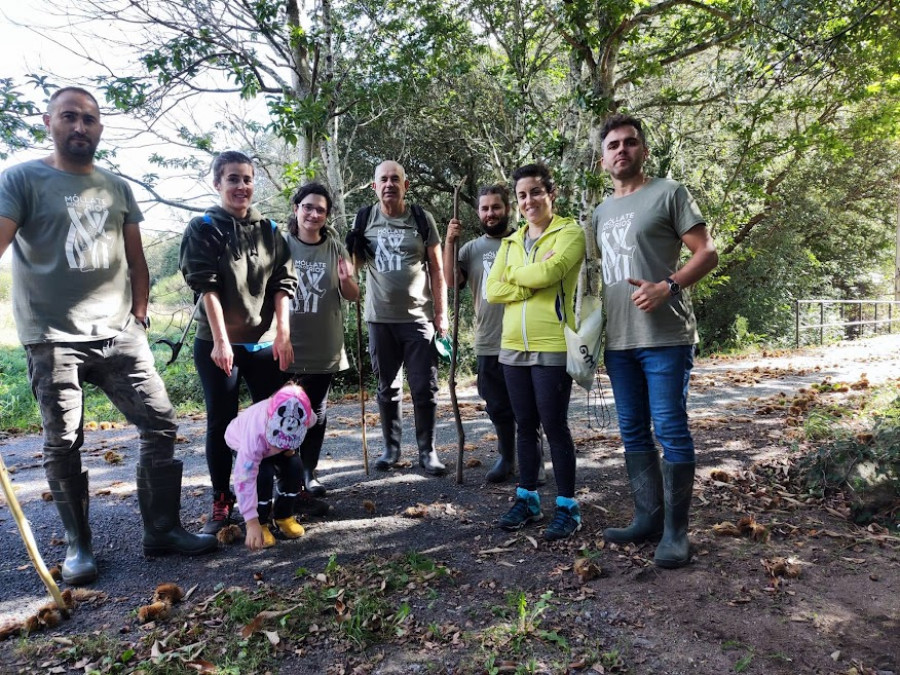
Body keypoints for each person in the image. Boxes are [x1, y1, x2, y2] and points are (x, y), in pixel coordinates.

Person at [0, 87, 217, 585]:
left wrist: (139, 310)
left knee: (161, 423)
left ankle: (162, 530)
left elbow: (136, 259)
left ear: (100, 128)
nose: (81, 127)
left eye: (90, 119)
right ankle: (79, 548)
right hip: (52, 338)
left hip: (119, 335)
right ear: (49, 121)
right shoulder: (22, 179)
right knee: (63, 442)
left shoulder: (117, 187)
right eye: (70, 117)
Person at [591, 113, 718, 568]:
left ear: (642, 150)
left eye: (629, 142)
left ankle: (676, 534)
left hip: (665, 336)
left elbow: (707, 251)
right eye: (613, 145)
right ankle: (647, 518)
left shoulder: (669, 193)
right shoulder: (599, 212)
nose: (621, 150)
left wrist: (670, 285)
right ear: (602, 158)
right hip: (619, 341)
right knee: (632, 433)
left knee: (670, 429)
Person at [180, 150, 298, 534]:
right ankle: (222, 500)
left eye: (247, 179)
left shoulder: (271, 231)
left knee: (275, 421)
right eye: (232, 179)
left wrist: (282, 333)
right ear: (217, 183)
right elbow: (206, 286)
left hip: (262, 344)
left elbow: (283, 283)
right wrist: (220, 340)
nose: (241, 186)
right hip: (218, 344)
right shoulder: (203, 227)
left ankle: (279, 500)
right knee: (222, 422)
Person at [486, 163, 586, 541]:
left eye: (535, 192)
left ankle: (567, 507)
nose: (529, 201)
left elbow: (552, 273)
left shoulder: (570, 232)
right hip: (512, 347)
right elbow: (491, 290)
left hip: (552, 345)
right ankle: (527, 499)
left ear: (550, 194)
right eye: (522, 195)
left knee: (554, 426)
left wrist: (514, 276)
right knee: (524, 426)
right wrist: (525, 282)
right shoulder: (511, 242)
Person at [345, 161, 448, 476]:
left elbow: (437, 269)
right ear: (374, 187)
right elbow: (353, 271)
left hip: (419, 318)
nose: (389, 184)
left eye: (395, 179)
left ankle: (427, 452)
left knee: (423, 386)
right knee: (387, 386)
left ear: (405, 185)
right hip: (380, 320)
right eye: (383, 180)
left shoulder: (421, 218)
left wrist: (442, 316)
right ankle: (391, 449)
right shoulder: (364, 219)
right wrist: (350, 256)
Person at [285, 182, 359, 500]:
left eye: (320, 210)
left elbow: (353, 296)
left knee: (315, 413)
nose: (314, 214)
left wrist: (346, 280)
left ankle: (308, 472)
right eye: (308, 207)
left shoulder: (335, 248)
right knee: (285, 411)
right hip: (286, 344)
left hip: (324, 345)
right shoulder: (280, 244)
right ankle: (284, 477)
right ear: (296, 209)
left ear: (326, 216)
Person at [443, 185, 518, 483]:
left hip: (523, 337)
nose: (490, 213)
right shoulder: (471, 249)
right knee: (496, 403)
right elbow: (451, 280)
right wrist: (450, 241)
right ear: (478, 212)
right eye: (485, 208)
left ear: (507, 209)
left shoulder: (522, 241)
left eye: (495, 207)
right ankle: (507, 456)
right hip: (488, 339)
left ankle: (533, 456)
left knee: (526, 403)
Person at [225, 384, 316, 550]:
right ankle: (260, 522)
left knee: (294, 467)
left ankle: (283, 515)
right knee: (262, 474)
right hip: (243, 441)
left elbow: (307, 424)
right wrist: (251, 522)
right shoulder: (254, 434)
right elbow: (244, 478)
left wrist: (289, 445)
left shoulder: (309, 417)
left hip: (277, 443)